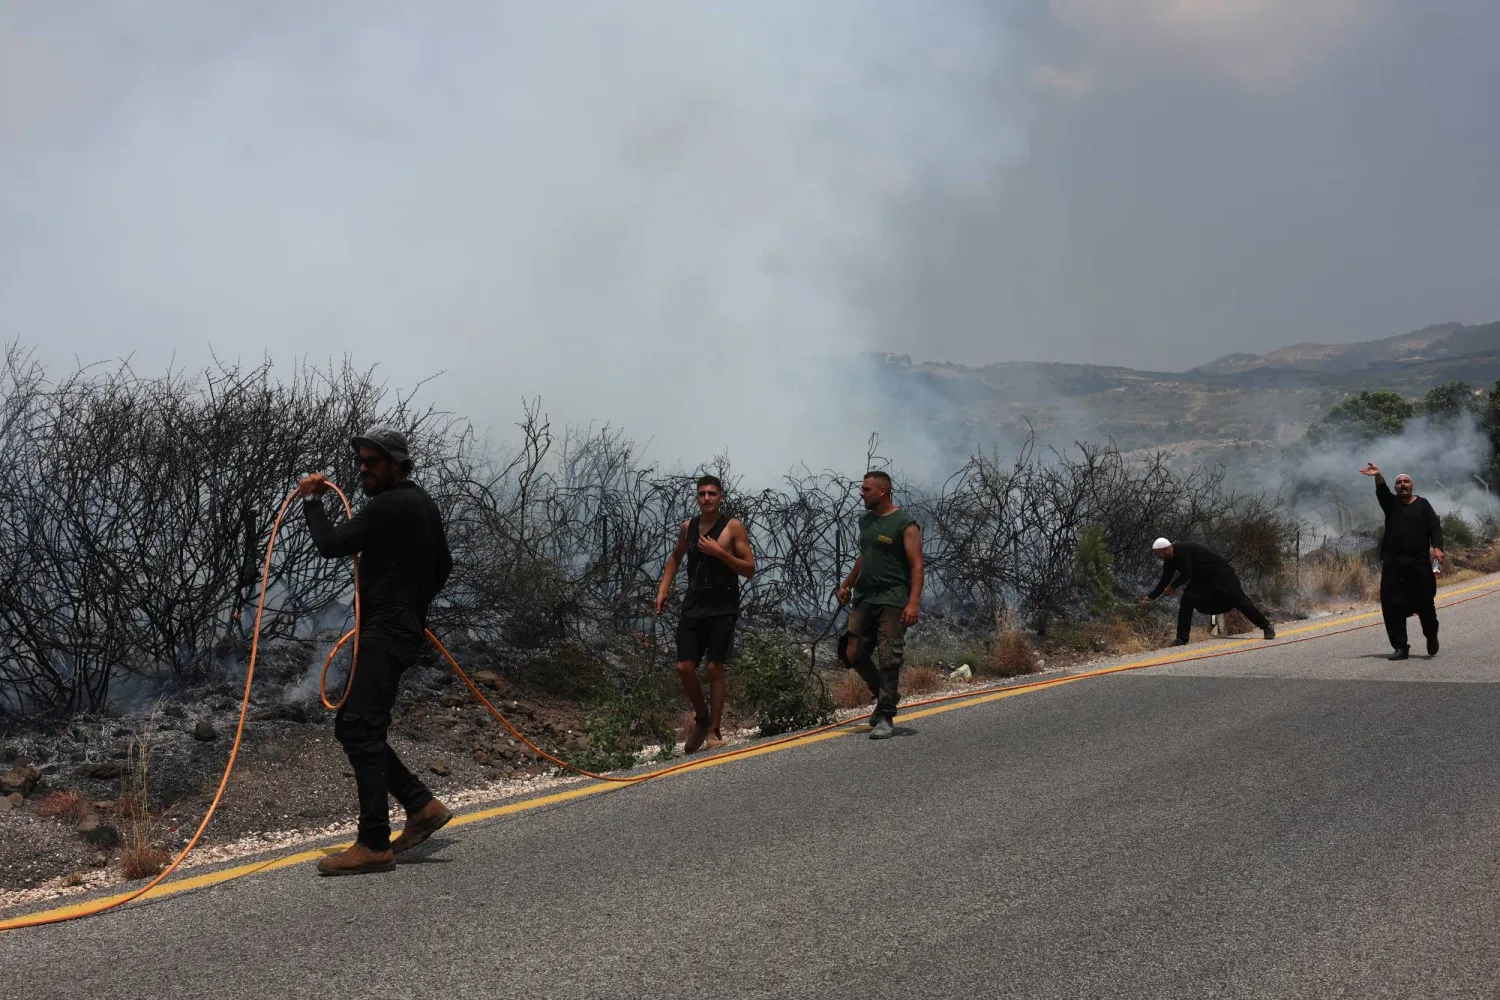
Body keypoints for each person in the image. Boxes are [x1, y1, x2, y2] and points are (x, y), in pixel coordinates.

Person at [297, 425, 454, 876]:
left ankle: (373, 844)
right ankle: (421, 806)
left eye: (373, 462)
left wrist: (312, 501)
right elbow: (444, 566)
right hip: (397, 629)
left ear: (397, 464)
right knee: (353, 726)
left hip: (386, 632)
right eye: (361, 461)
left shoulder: (390, 505)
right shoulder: (423, 504)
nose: (363, 469)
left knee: (360, 727)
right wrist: (413, 605)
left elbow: (331, 545)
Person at [655, 475, 755, 753]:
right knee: (684, 667)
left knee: (713, 667)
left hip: (724, 606)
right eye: (702, 494)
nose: (707, 498)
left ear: (721, 497)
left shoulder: (732, 527)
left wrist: (719, 552)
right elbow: (675, 557)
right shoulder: (688, 527)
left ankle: (714, 731)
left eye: (712, 493)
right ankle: (702, 718)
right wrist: (663, 589)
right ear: (697, 497)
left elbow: (749, 569)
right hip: (694, 605)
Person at [836, 471, 924, 740]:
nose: (861, 494)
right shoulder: (866, 521)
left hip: (893, 600)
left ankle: (885, 714)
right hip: (865, 598)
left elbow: (917, 565)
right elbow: (865, 555)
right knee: (852, 653)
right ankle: (887, 695)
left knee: (888, 656)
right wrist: (847, 584)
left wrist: (913, 603)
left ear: (883, 491)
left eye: (866, 489)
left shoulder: (904, 524)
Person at [1360, 463, 1443, 660]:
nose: (1403, 484)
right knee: (1391, 605)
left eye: (1406, 481)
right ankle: (1400, 647)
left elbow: (1434, 527)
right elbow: (1382, 491)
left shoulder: (1423, 505)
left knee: (1425, 603)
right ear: (1396, 487)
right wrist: (1378, 475)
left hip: (1418, 563)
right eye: (1399, 482)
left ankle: (1431, 635)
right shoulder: (1391, 504)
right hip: (1393, 563)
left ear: (1412, 485)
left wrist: (1437, 547)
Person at [1142, 538, 1276, 646]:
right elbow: (1164, 581)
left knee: (1239, 600)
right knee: (1187, 601)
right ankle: (1181, 638)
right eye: (1156, 555)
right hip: (1201, 578)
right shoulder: (1168, 561)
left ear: (1167, 549)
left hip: (1220, 572)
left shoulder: (1182, 550)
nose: (1158, 557)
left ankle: (1266, 626)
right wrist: (1149, 598)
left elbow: (1187, 573)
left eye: (1159, 554)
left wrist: (1173, 586)